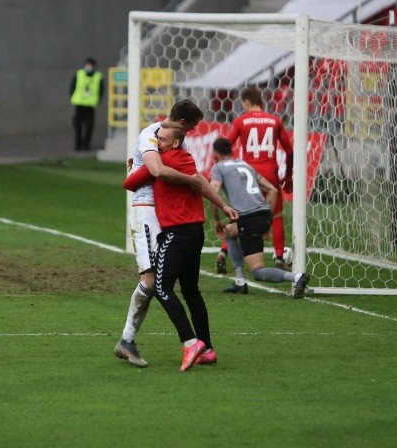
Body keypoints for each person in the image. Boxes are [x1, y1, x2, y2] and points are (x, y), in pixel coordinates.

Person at [123, 121, 238, 370]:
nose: (157, 142)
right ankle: (207, 348)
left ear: (175, 141)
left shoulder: (163, 163)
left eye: (162, 139)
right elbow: (199, 181)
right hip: (196, 232)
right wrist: (224, 205)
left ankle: (189, 342)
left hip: (176, 233)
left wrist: (133, 167)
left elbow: (131, 183)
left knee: (162, 288)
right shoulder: (187, 159)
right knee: (191, 291)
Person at [113, 99, 205, 368]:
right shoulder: (152, 135)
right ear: (182, 124)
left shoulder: (176, 141)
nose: (189, 135)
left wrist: (221, 203)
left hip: (164, 214)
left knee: (169, 283)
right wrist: (190, 181)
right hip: (146, 211)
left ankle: (199, 344)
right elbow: (154, 170)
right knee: (153, 280)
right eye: (191, 128)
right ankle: (128, 340)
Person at [208, 138, 310, 298]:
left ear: (215, 154)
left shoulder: (218, 168)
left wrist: (216, 219)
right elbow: (273, 190)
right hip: (262, 214)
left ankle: (296, 277)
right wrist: (267, 220)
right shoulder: (244, 165)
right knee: (229, 232)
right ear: (232, 152)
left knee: (257, 271)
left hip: (249, 219)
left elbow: (212, 192)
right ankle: (240, 281)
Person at [226, 86, 294, 271]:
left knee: (241, 214)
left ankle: (223, 253)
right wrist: (288, 177)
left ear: (247, 102)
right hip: (271, 173)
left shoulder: (241, 121)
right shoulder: (275, 121)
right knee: (277, 215)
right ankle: (279, 257)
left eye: (243, 104)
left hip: (249, 173)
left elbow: (226, 145)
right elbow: (289, 151)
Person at [69, 57, 104, 151]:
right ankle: (78, 145)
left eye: (90, 65)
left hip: (90, 105)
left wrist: (97, 101)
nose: (89, 67)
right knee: (78, 125)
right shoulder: (79, 74)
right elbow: (72, 87)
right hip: (79, 104)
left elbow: (101, 90)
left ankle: (86, 145)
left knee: (89, 126)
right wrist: (72, 97)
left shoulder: (98, 76)